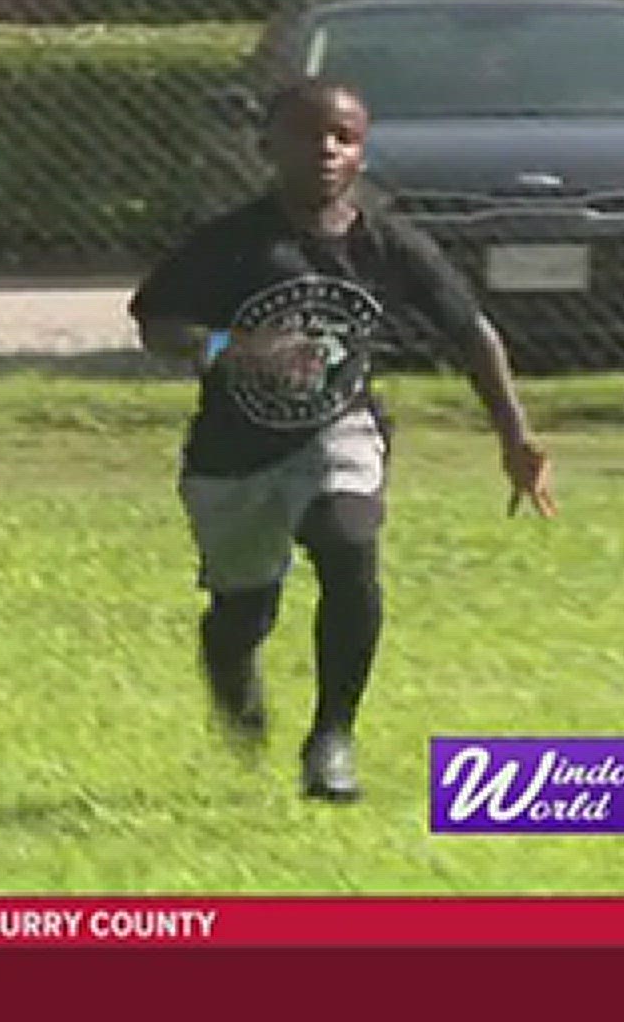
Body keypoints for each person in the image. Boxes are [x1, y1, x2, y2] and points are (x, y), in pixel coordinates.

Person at [129, 79, 555, 803]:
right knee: (244, 608)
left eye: (344, 137)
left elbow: (472, 334)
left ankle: (332, 740)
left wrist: (516, 436)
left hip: (338, 427)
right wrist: (238, 347)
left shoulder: (386, 243)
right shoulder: (234, 243)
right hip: (232, 457)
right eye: (306, 135)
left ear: (361, 151)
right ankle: (230, 664)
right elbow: (157, 323)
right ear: (269, 148)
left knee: (348, 544)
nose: (326, 150)